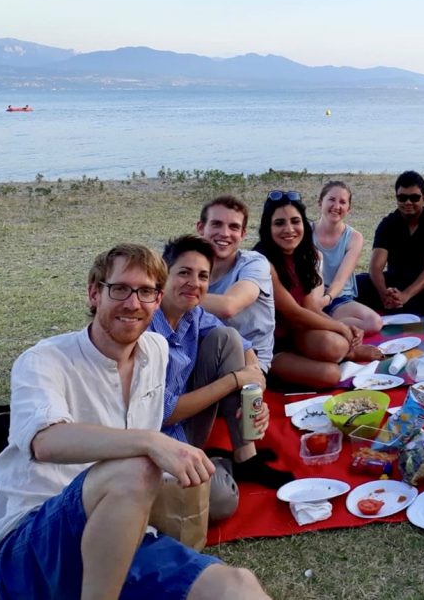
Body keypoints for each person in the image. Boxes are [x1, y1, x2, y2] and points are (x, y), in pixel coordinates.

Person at [0, 244, 269, 598]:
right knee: (135, 468)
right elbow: (45, 441)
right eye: (120, 289)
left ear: (158, 299)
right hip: (37, 534)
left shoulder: (155, 351)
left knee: (236, 585)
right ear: (94, 293)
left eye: (146, 291)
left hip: (125, 536)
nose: (133, 303)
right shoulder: (44, 360)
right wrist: (151, 442)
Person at [149, 235, 292, 518]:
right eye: (184, 273)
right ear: (163, 276)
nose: (194, 283)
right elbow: (163, 413)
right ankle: (218, 464)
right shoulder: (146, 330)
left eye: (203, 276)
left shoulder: (193, 314)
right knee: (222, 502)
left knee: (226, 338)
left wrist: (255, 395)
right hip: (155, 443)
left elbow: (241, 344)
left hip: (188, 429)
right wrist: (235, 380)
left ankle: (245, 457)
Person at [254, 191, 381, 389]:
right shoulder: (263, 262)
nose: (289, 229)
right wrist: (341, 328)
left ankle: (346, 353)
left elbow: (309, 307)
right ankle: (286, 369)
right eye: (279, 223)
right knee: (331, 375)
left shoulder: (304, 255)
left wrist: (341, 327)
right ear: (267, 228)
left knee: (337, 345)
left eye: (295, 221)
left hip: (296, 333)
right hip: (269, 347)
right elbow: (294, 312)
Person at [355, 171, 424, 317]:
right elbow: (375, 267)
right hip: (396, 280)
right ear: (396, 198)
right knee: (357, 283)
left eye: (414, 198)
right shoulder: (387, 224)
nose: (408, 202)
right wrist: (384, 294)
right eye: (402, 198)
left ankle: (402, 305)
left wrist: (406, 295)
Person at [196, 195, 275, 372]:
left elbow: (228, 306)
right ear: (201, 227)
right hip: (201, 354)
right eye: (216, 224)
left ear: (243, 234)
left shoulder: (254, 263)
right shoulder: (190, 264)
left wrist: (173, 296)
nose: (225, 233)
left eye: (234, 227)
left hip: (250, 361)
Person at [312, 181, 383, 334]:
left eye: (343, 202)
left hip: (337, 298)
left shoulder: (354, 238)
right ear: (320, 202)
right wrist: (314, 301)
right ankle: (326, 325)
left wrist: (326, 299)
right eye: (331, 199)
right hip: (311, 297)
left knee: (374, 322)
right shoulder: (304, 232)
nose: (336, 206)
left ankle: (320, 323)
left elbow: (340, 280)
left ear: (348, 208)